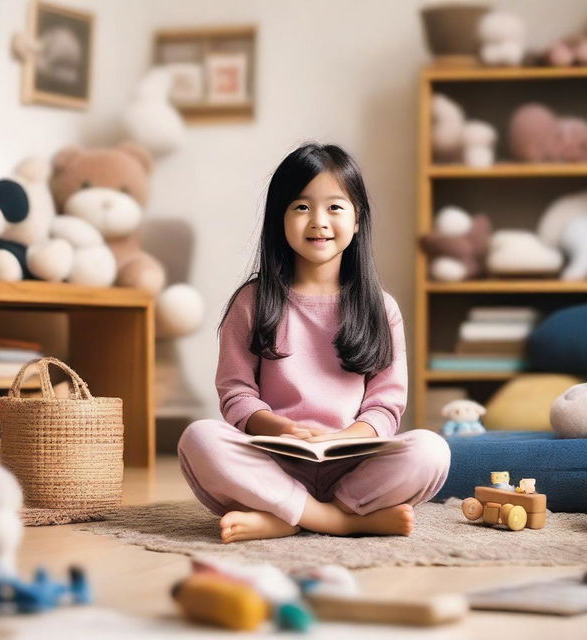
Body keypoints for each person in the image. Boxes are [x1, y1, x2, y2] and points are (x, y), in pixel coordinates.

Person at [178, 142, 450, 544]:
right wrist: (282, 428)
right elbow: (236, 394)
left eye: (335, 207)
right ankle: (340, 520)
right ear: (280, 219)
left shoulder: (381, 308)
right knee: (198, 438)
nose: (318, 221)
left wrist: (340, 438)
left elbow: (385, 406)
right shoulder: (251, 302)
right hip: (274, 460)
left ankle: (286, 517)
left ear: (358, 220)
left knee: (431, 449)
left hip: (352, 462)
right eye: (302, 207)